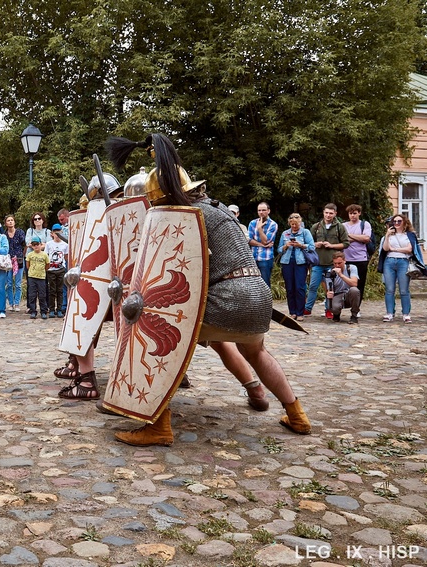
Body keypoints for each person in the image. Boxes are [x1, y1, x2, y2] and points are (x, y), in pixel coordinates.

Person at [106, 133, 311, 446]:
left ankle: (159, 426)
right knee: (254, 350)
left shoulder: (185, 217)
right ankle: (296, 415)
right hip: (258, 296)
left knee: (154, 327)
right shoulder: (219, 209)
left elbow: (175, 274)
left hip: (227, 297)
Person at [305, 203, 350, 317]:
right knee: (313, 286)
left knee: (330, 287)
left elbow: (346, 244)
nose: (328, 215)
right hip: (318, 262)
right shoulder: (316, 226)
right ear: (323, 213)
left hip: (332, 263)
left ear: (335, 213)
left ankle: (328, 309)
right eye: (326, 213)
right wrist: (316, 244)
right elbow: (308, 244)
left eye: (331, 213)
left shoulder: (340, 227)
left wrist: (332, 245)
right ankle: (308, 308)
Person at [378, 214, 423, 323]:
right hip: (389, 262)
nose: (396, 223)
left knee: (404, 290)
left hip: (403, 262)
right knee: (389, 289)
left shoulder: (410, 235)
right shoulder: (388, 235)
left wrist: (395, 249)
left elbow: (409, 249)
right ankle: (389, 313)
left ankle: (406, 314)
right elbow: (386, 248)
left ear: (404, 222)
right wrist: (388, 235)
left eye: (399, 221)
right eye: (394, 221)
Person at [276, 213, 315, 321]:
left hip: (301, 262)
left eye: (296, 224)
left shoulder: (305, 232)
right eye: (292, 224)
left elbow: (312, 247)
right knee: (289, 288)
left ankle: (300, 312)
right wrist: (286, 246)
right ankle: (292, 311)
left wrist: (300, 245)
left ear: (300, 222)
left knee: (299, 287)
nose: (294, 226)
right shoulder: (285, 233)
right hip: (287, 262)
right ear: (289, 223)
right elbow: (279, 249)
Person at [343, 204, 372, 304]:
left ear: (359, 213)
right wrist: (359, 238)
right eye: (350, 213)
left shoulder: (364, 224)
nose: (353, 216)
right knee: (345, 283)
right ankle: (344, 304)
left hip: (361, 259)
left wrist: (350, 235)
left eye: (355, 213)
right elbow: (343, 240)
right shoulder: (343, 226)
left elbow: (366, 238)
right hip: (346, 259)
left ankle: (357, 307)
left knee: (360, 284)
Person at [324, 252, 360, 324]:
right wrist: (329, 293)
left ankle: (354, 315)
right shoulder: (329, 272)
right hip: (338, 294)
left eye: (339, 263)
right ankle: (336, 314)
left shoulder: (352, 268)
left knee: (355, 290)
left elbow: (354, 283)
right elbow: (329, 288)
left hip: (349, 294)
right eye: (335, 263)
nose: (337, 265)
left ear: (344, 261)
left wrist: (341, 275)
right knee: (333, 307)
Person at [247, 202, 277, 286]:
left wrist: (259, 228)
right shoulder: (252, 223)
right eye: (259, 210)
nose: (261, 212)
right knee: (253, 284)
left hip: (265, 259)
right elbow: (248, 240)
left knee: (265, 284)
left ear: (268, 211)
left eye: (263, 210)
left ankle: (266, 300)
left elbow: (265, 241)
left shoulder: (273, 224)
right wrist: (262, 245)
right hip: (252, 258)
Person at [3, 214, 26, 312]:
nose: (10, 222)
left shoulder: (20, 232)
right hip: (8, 260)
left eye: (12, 220)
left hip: (19, 260)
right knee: (8, 283)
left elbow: (24, 245)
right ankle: (11, 303)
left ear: (14, 222)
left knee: (18, 284)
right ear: (6, 223)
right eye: (8, 220)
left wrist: (21, 255)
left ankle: (17, 303)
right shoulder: (4, 234)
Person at [45, 224, 68, 317]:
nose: (57, 234)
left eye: (59, 232)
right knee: (52, 290)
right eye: (55, 232)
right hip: (51, 270)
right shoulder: (49, 244)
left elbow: (66, 257)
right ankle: (51, 309)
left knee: (60, 290)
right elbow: (46, 256)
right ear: (52, 234)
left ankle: (59, 309)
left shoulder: (65, 245)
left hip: (61, 269)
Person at [25, 237, 49, 319]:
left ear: (40, 244)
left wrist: (43, 271)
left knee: (42, 295)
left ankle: (43, 311)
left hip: (41, 277)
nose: (36, 246)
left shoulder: (44, 254)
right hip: (32, 277)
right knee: (32, 295)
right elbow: (28, 265)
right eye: (34, 245)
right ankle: (33, 310)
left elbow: (47, 265)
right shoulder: (30, 255)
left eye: (37, 244)